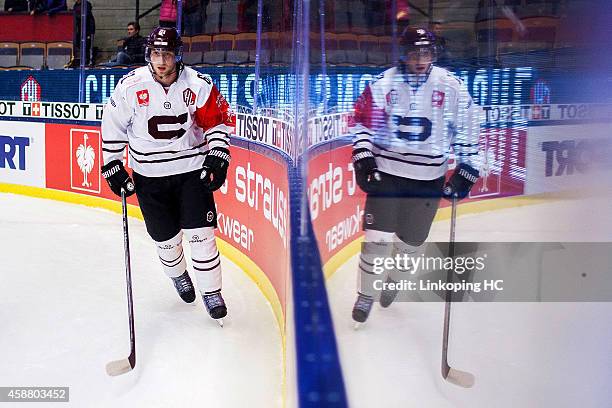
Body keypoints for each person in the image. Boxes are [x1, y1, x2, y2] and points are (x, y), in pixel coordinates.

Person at [100, 26, 235, 324]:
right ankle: (178, 275)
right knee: (167, 241)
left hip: (191, 171)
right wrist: (112, 163)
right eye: (156, 53)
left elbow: (217, 122)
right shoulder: (130, 86)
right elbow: (113, 126)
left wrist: (218, 153)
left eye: (168, 54)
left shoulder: (198, 84)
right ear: (149, 54)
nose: (161, 60)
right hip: (149, 177)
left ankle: (212, 293)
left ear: (178, 56)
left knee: (201, 236)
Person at [349, 27, 482, 324]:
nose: (420, 59)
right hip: (388, 173)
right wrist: (363, 155)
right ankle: (365, 294)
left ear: (434, 53)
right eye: (414, 52)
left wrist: (469, 165)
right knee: (376, 238)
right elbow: (361, 123)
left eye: (426, 52)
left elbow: (469, 126)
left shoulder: (452, 86)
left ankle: (393, 280)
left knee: (411, 244)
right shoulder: (384, 83)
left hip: (428, 179)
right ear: (403, 53)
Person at [65, 0, 95, 67]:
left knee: (88, 45)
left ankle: (90, 61)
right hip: (80, 29)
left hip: (88, 29)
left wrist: (76, 14)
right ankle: (82, 60)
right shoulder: (75, 5)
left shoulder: (86, 4)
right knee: (79, 44)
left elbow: (86, 14)